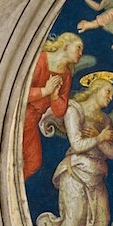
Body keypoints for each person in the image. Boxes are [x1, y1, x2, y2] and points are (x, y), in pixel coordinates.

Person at [35, 78, 113, 226]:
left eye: (112, 94)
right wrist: (99, 138)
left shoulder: (106, 120)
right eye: (108, 91)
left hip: (97, 173)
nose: (110, 97)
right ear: (95, 89)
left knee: (102, 217)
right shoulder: (74, 110)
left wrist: (99, 138)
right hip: (76, 171)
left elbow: (112, 153)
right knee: (74, 216)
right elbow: (77, 145)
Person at [23, 32, 83, 179]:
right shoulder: (40, 60)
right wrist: (45, 91)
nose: (81, 53)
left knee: (34, 162)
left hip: (32, 120)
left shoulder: (66, 74)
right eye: (78, 48)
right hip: (20, 117)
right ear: (66, 46)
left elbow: (60, 111)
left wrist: (54, 96)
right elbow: (17, 93)